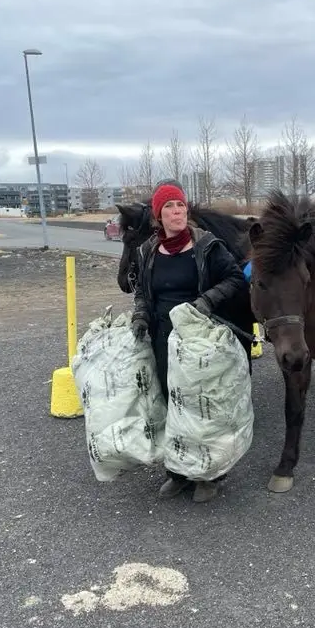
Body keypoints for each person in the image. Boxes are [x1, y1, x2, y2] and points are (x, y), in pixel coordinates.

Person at [130, 180, 249, 503]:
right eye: (169, 207)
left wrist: (206, 302)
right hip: (162, 337)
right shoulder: (147, 251)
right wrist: (140, 315)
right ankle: (178, 472)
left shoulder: (206, 245)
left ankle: (210, 474)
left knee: (202, 405)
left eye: (180, 205)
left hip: (198, 338)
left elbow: (235, 278)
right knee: (172, 403)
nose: (177, 211)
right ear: (159, 216)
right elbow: (142, 290)